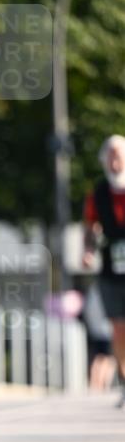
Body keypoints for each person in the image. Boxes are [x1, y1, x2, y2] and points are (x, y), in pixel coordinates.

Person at [83, 134, 125, 407]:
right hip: (112, 266)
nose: (114, 159)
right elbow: (90, 227)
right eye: (110, 155)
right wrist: (87, 251)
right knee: (118, 328)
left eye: (119, 154)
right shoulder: (98, 193)